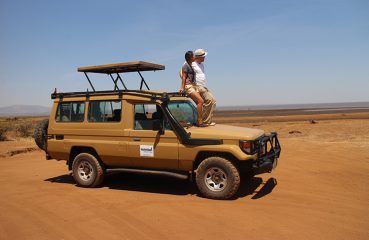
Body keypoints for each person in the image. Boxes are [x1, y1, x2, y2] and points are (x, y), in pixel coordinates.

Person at [180, 51, 206, 126]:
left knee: (199, 103)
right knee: (200, 101)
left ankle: (198, 120)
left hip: (193, 85)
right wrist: (182, 87)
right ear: (191, 58)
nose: (195, 57)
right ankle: (200, 122)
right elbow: (184, 77)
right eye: (194, 56)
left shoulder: (192, 64)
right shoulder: (186, 66)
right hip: (188, 87)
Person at [192, 49, 216, 126]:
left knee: (212, 101)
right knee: (209, 100)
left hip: (202, 86)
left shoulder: (201, 65)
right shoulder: (191, 63)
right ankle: (204, 121)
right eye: (203, 56)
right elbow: (182, 72)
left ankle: (206, 121)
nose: (204, 58)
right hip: (197, 86)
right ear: (198, 57)